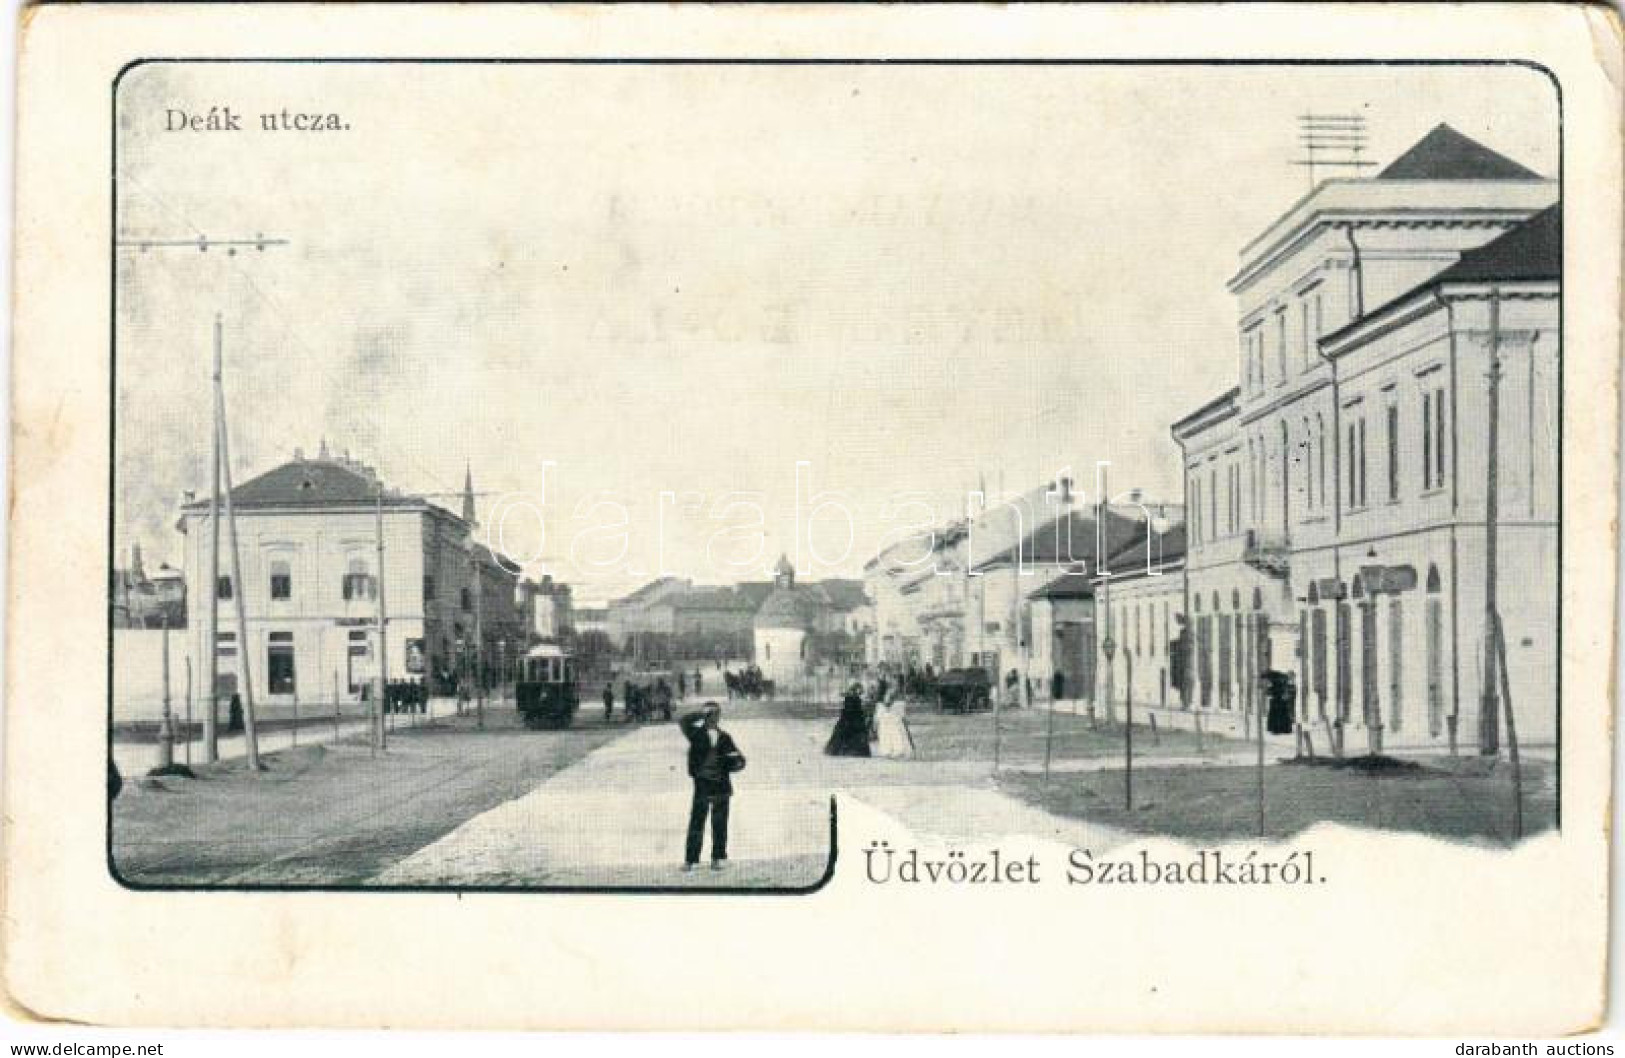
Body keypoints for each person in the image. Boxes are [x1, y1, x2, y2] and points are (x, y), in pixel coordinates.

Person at [678, 703, 745, 871]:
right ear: (707, 716)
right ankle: (690, 860)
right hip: (702, 785)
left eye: (718, 714)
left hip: (721, 785)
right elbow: (683, 720)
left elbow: (740, 759)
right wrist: (700, 714)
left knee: (719, 823)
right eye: (713, 714)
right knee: (697, 822)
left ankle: (718, 858)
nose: (717, 717)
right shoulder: (695, 734)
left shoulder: (725, 737)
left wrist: (733, 764)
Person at [825, 684, 872, 757]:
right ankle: (849, 751)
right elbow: (849, 710)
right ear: (855, 689)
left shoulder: (853, 698)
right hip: (851, 720)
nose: (861, 692)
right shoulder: (852, 698)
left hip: (852, 720)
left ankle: (849, 751)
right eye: (859, 690)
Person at [874, 683, 915, 760]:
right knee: (891, 734)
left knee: (894, 734)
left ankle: (895, 750)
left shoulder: (897, 702)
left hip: (891, 718)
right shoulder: (885, 702)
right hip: (889, 718)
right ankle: (890, 751)